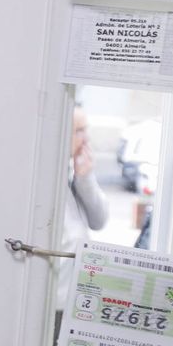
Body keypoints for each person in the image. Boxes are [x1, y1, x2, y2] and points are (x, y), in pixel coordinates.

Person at [56, 104, 110, 317]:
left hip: (74, 297)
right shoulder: (47, 179)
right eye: (79, 131)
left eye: (85, 130)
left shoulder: (73, 175)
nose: (86, 139)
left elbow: (99, 220)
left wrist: (85, 178)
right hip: (57, 302)